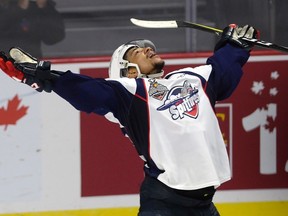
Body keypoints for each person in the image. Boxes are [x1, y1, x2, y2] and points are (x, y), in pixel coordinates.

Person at [0, 24, 258, 216]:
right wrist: (45, 78)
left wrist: (235, 45)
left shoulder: (190, 78)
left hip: (204, 205)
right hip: (165, 205)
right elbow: (88, 92)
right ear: (127, 71)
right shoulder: (129, 94)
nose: (149, 49)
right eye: (138, 51)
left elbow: (222, 71)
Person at [0, 0, 65, 58]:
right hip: (4, 61)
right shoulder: (4, 9)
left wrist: (44, 7)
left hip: (31, 63)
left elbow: (54, 37)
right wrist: (20, 9)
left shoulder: (35, 8)